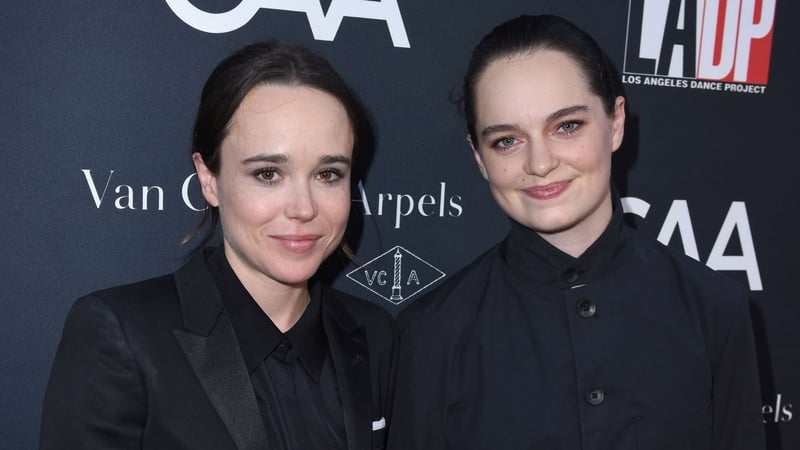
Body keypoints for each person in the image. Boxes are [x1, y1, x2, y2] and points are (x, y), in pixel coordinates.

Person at [388, 14, 765, 450]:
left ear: (616, 122)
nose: (540, 163)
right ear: (478, 156)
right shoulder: (431, 333)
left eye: (566, 126)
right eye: (506, 140)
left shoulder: (714, 309)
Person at [41, 41, 396, 450]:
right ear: (208, 178)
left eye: (328, 174)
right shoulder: (121, 335)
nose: (303, 208)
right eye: (268, 174)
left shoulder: (374, 334)